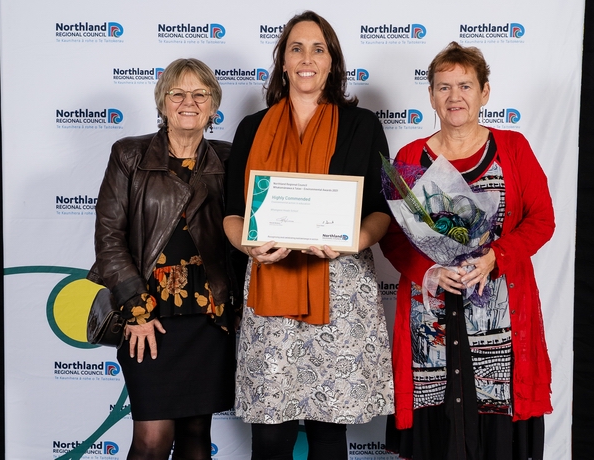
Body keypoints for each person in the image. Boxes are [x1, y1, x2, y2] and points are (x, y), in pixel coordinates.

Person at [223, 11, 395, 460]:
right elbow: (231, 214)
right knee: (271, 435)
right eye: (296, 48)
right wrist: (249, 244)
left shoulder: (363, 126)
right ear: (283, 62)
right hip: (269, 287)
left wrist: (351, 241)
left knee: (327, 431)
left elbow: (381, 212)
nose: (307, 58)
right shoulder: (251, 128)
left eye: (318, 49)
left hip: (338, 291)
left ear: (332, 62)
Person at [380, 42, 555, 460]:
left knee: (495, 435)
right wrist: (430, 271)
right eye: (443, 87)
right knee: (436, 434)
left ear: (485, 92)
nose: (454, 96)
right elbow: (393, 237)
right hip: (432, 319)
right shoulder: (410, 157)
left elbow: (542, 220)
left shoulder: (513, 149)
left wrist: (496, 256)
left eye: (464, 85)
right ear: (430, 95)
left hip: (499, 315)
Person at [88, 58, 244, 460]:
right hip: (148, 317)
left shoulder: (229, 161)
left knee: (195, 437)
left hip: (209, 319)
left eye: (199, 94)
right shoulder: (130, 155)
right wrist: (136, 309)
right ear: (162, 103)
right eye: (177, 93)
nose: (188, 102)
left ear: (213, 107)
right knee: (152, 440)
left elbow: (245, 235)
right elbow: (108, 238)